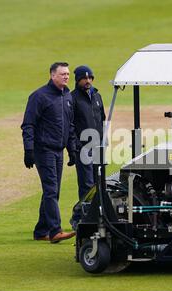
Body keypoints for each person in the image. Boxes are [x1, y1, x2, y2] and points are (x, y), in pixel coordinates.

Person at [21, 62, 77, 243]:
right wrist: (28, 150)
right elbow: (28, 125)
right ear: (53, 75)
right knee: (51, 190)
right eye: (62, 74)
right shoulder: (39, 96)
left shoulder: (67, 96)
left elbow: (69, 126)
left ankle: (41, 231)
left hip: (58, 151)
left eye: (68, 74)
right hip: (43, 150)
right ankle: (55, 231)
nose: (66, 77)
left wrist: (72, 150)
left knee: (52, 191)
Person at [69, 65, 106, 230]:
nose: (88, 81)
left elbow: (102, 120)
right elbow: (70, 125)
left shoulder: (97, 96)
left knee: (99, 183)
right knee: (87, 184)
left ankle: (94, 216)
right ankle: (81, 218)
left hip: (98, 147)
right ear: (77, 80)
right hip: (83, 148)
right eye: (84, 78)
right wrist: (76, 145)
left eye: (90, 78)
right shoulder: (72, 98)